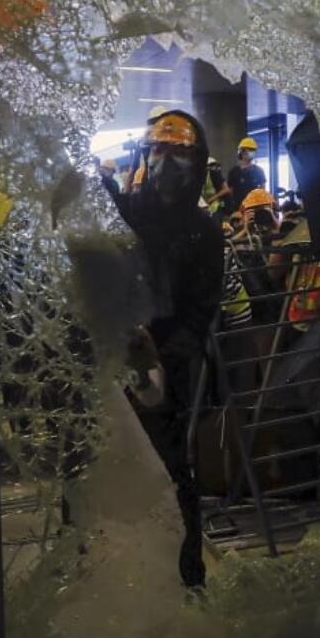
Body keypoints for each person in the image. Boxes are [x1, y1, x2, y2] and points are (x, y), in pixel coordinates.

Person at [112, 109, 223, 590]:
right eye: (160, 150)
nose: (169, 161)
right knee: (103, 471)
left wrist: (159, 356)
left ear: (197, 162)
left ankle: (187, 578)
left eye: (181, 153)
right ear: (145, 154)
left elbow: (199, 315)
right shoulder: (124, 214)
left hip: (168, 369)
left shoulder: (205, 232)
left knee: (172, 470)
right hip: (114, 360)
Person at [227, 137, 267, 212]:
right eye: (249, 150)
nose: (251, 152)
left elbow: (263, 192)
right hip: (238, 210)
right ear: (241, 152)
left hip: (255, 209)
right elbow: (230, 193)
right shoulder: (233, 172)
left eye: (253, 150)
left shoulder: (259, 171)